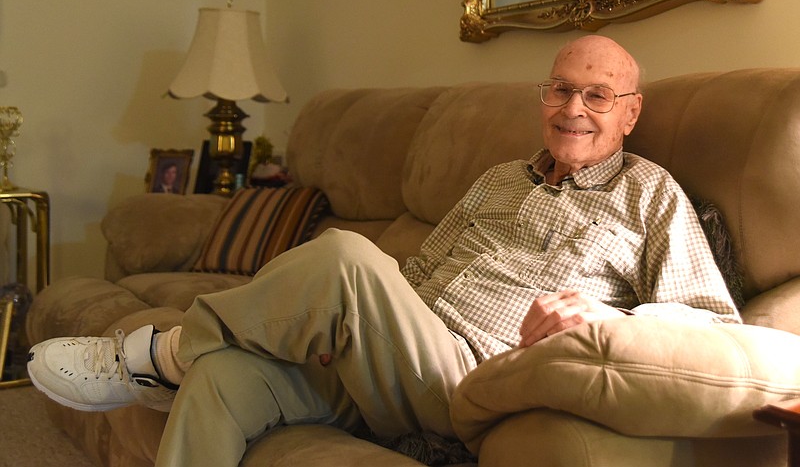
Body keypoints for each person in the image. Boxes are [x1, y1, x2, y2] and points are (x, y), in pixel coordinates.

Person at [27, 36, 741, 466]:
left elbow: (717, 324)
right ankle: (192, 356)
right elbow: (417, 275)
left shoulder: (652, 196)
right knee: (224, 376)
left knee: (342, 253)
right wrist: (339, 326)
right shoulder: (496, 179)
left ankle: (153, 355)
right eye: (561, 89)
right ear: (542, 95)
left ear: (631, 109)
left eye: (597, 95)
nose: (573, 110)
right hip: (388, 355)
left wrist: (609, 320)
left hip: (477, 376)